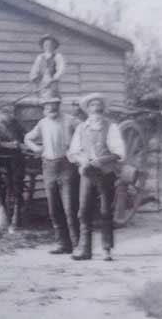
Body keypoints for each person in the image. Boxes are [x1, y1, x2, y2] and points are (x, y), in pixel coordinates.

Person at [67, 92, 125, 261]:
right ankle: (85, 249)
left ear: (103, 111)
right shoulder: (81, 128)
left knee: (105, 211)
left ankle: (106, 249)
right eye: (92, 108)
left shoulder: (111, 127)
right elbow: (72, 152)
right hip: (87, 174)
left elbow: (119, 153)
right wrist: (81, 160)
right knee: (83, 211)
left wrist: (102, 160)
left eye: (98, 108)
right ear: (88, 111)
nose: (96, 111)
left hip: (105, 174)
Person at [23, 94, 79, 254]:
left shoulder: (70, 120)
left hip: (66, 166)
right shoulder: (42, 123)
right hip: (48, 167)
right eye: (47, 106)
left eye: (54, 105)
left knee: (69, 208)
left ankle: (77, 245)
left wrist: (76, 150)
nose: (51, 108)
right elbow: (28, 138)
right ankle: (63, 244)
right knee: (54, 209)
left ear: (59, 105)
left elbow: (84, 131)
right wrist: (36, 149)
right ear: (44, 108)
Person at [28, 34, 67, 100]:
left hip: (52, 83)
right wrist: (33, 77)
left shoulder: (58, 56)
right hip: (41, 83)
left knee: (51, 101)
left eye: (50, 45)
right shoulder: (40, 57)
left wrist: (54, 79)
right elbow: (35, 69)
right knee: (40, 100)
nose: (48, 47)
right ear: (43, 46)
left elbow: (61, 69)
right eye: (45, 45)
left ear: (54, 46)